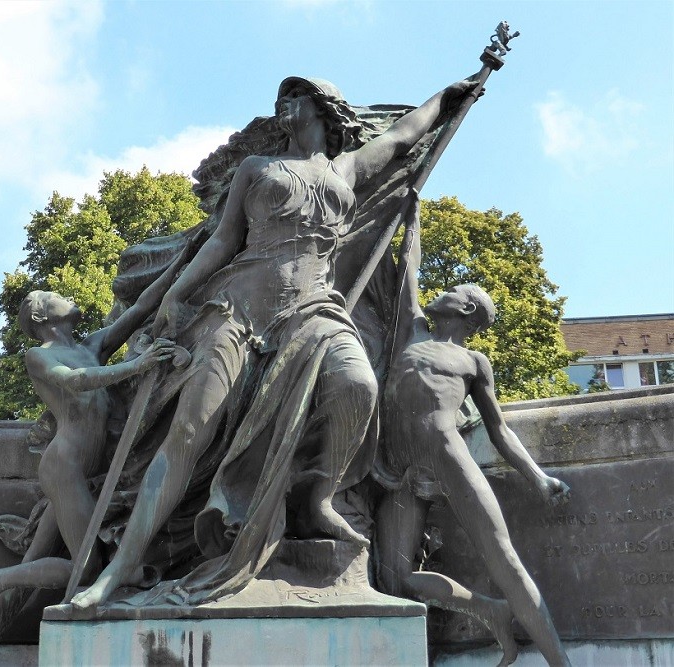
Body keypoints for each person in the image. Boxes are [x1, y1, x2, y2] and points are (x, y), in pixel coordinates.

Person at [71, 75, 478, 610]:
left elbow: (403, 137)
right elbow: (221, 240)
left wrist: (449, 98)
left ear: (322, 111)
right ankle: (116, 573)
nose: (283, 106)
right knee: (189, 431)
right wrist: (179, 293)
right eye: (281, 98)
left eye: (295, 97)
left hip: (313, 306)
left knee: (358, 384)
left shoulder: (345, 169)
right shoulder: (256, 169)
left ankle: (321, 494)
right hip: (240, 303)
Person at [0, 246, 193, 667]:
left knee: (35, 564)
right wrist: (137, 367)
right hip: (64, 469)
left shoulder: (92, 345)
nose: (66, 295)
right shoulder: (40, 356)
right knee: (85, 570)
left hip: (83, 475)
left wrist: (182, 261)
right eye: (53, 295)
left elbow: (140, 306)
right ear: (43, 316)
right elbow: (79, 381)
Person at [373, 191, 571, 666]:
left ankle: (561, 662)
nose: (447, 290)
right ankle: (493, 613)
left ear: (467, 311)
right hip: (396, 466)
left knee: (503, 558)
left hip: (446, 454)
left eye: (459, 290)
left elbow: (498, 428)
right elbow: (409, 270)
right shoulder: (411, 331)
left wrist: (537, 477)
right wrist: (412, 217)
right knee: (394, 580)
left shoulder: (473, 360)